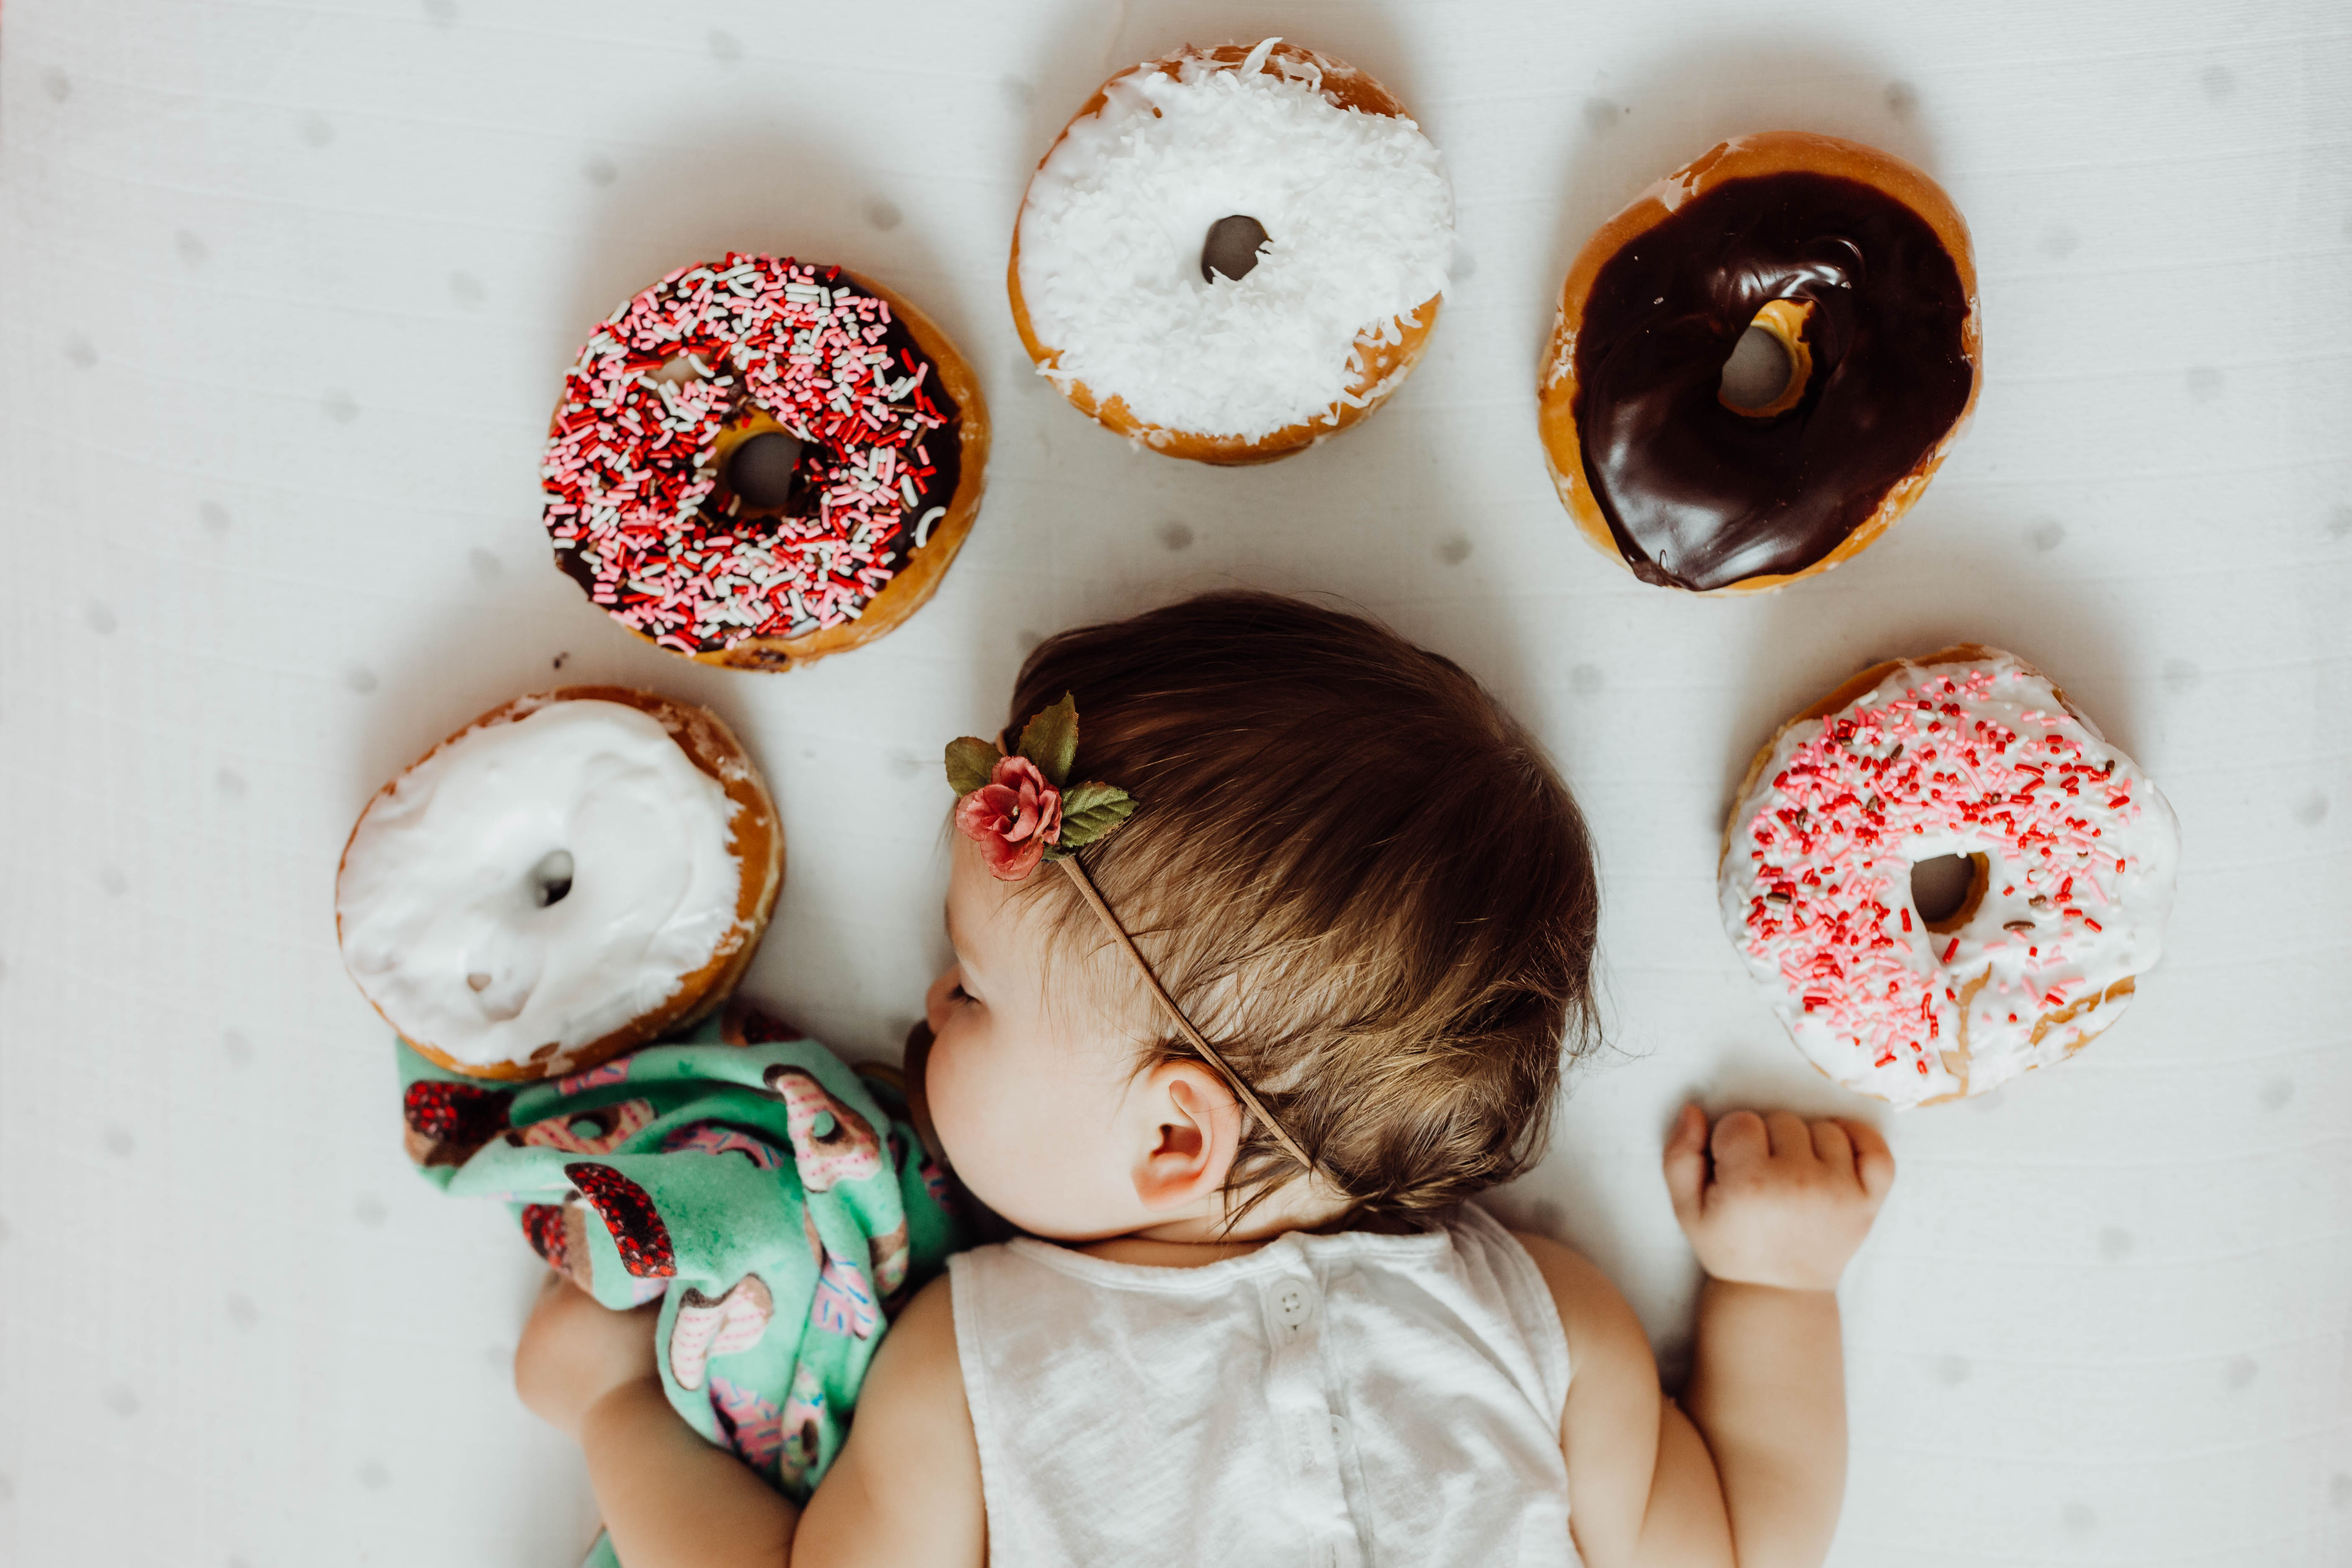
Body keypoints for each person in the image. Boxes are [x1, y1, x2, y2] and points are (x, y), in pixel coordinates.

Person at [514, 591, 1896, 1568]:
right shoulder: (1529, 1325)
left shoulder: (983, 1366)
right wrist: (1780, 1284)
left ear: (1177, 1133)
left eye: (973, 991)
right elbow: (1746, 1544)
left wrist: (618, 1411)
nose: (928, 1011)